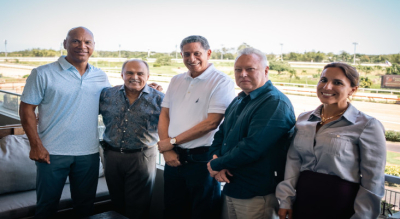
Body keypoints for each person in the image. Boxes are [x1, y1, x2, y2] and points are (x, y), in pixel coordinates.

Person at [19, 27, 110, 218]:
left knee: (85, 208)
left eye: (87, 42)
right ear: (65, 44)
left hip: (88, 154)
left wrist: (145, 88)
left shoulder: (100, 76)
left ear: (93, 46)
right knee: (46, 208)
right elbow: (26, 108)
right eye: (76, 41)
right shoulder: (42, 73)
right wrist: (35, 145)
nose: (82, 46)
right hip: (52, 153)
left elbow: (113, 101)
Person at [276, 62, 386, 219]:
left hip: (339, 205)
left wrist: (363, 216)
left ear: (352, 90)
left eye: (337, 83)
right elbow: (293, 162)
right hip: (303, 201)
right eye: (323, 80)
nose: (327, 87)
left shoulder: (368, 125)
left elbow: (373, 180)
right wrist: (286, 200)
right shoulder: (303, 119)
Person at [207, 47, 296, 219]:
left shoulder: (274, 102)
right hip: (231, 185)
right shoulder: (240, 98)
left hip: (256, 191)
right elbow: (221, 135)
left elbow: (251, 147)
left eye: (250, 69)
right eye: (238, 70)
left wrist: (216, 165)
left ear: (266, 70)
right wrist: (214, 159)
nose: (243, 74)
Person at [157, 35, 236, 219]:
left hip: (202, 161)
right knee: (172, 210)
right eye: (186, 54)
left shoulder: (221, 81)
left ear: (208, 53)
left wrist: (172, 141)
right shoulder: (176, 80)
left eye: (197, 53)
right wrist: (167, 149)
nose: (191, 59)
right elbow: (164, 115)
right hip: (173, 158)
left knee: (203, 212)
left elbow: (211, 122)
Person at [99, 59, 164, 219]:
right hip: (111, 156)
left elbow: (172, 125)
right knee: (116, 203)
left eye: (140, 73)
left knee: (139, 207)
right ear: (122, 74)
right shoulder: (107, 95)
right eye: (130, 72)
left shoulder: (160, 99)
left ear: (147, 76)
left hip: (142, 157)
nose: (134, 77)